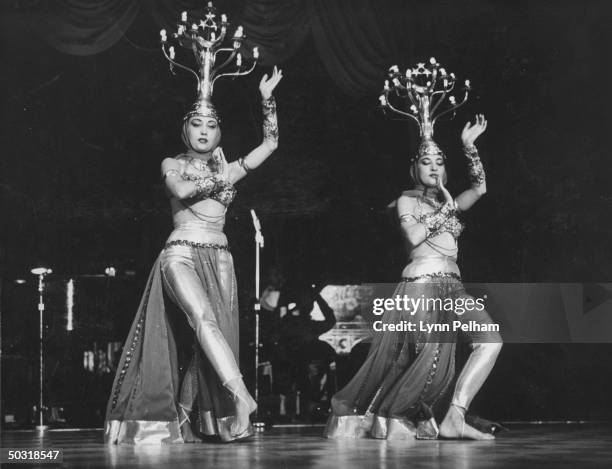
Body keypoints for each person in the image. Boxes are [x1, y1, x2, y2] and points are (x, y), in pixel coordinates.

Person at [104, 66, 283, 444]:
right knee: (203, 320)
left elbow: (270, 146)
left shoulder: (229, 169)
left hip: (220, 258)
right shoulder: (174, 164)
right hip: (180, 253)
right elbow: (183, 192)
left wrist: (267, 102)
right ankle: (241, 396)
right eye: (197, 124)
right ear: (185, 130)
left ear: (219, 132)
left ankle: (205, 413)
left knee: (211, 335)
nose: (204, 131)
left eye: (211, 125)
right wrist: (220, 176)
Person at [325, 114, 503, 440]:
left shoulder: (448, 200)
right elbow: (414, 236)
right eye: (425, 162)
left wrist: (469, 147)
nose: (433, 167)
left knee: (490, 341)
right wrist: (447, 210)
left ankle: (455, 415)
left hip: (454, 286)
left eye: (439, 161)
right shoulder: (407, 199)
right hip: (421, 284)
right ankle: (384, 414)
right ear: (415, 169)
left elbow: (481, 188)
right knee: (422, 357)